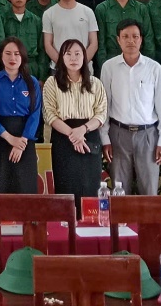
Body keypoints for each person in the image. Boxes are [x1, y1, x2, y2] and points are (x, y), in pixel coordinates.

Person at [100, 19, 161, 196]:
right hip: (118, 134)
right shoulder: (109, 67)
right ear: (118, 40)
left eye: (135, 36)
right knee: (119, 190)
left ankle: (149, 217)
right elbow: (104, 105)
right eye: (125, 37)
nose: (130, 41)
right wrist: (105, 138)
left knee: (149, 191)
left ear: (141, 39)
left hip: (147, 135)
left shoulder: (154, 68)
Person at [43, 38, 107, 205]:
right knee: (66, 186)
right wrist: (73, 134)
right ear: (61, 58)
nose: (73, 58)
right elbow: (50, 114)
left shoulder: (95, 83)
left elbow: (101, 114)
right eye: (68, 54)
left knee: (90, 186)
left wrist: (82, 130)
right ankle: (67, 221)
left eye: (77, 54)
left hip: (89, 135)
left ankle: (89, 221)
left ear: (84, 57)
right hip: (63, 137)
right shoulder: (52, 83)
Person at [0, 37, 40, 196]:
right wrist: (9, 138)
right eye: (8, 53)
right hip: (1, 139)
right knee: (1, 186)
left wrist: (21, 142)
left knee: (26, 187)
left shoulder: (32, 82)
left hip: (25, 140)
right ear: (0, 56)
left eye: (17, 54)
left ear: (22, 56)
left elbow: (35, 113)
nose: (13, 58)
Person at [96, 0, 155, 73]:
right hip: (112, 61)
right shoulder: (102, 9)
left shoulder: (141, 9)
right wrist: (104, 66)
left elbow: (148, 38)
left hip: (138, 62)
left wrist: (147, 65)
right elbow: (101, 43)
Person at [43, 0, 99, 71]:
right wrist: (63, 64)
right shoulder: (49, 13)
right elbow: (48, 45)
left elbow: (94, 43)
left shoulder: (88, 12)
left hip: (84, 68)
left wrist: (81, 63)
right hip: (59, 69)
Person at [3, 0, 48, 84]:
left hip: (31, 67)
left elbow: (42, 50)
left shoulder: (36, 20)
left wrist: (42, 76)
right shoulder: (2, 19)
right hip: (9, 66)